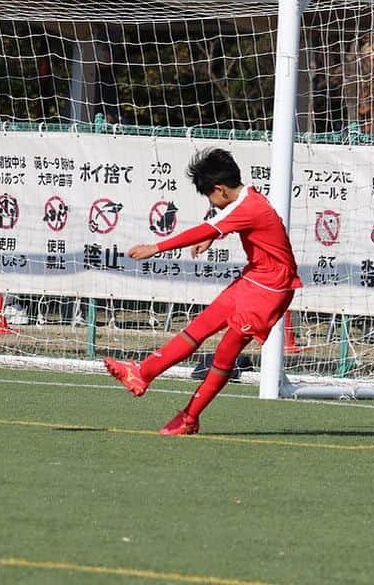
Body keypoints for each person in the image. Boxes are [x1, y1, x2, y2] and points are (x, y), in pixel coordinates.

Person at [103, 148, 302, 435]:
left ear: (219, 189)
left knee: (224, 355)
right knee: (199, 327)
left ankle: (189, 417)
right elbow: (226, 225)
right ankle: (142, 373)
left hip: (270, 291)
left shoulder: (250, 207)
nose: (212, 203)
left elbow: (205, 228)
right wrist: (212, 237)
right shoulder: (247, 198)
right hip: (254, 278)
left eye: (209, 196)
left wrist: (156, 247)